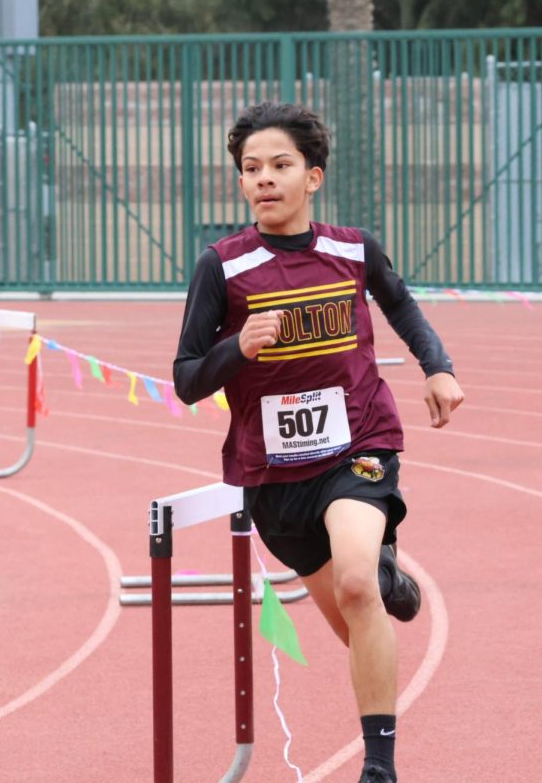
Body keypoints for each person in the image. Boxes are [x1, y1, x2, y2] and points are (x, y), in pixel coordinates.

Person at [173, 102, 465, 783]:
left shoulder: (353, 249)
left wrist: (439, 368)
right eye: (251, 169)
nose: (263, 180)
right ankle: (386, 572)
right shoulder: (221, 267)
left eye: (279, 166)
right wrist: (235, 350)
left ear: (313, 177)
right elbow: (187, 379)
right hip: (273, 477)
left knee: (358, 586)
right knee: (354, 623)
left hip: (356, 445)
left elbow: (402, 305)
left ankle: (380, 769)